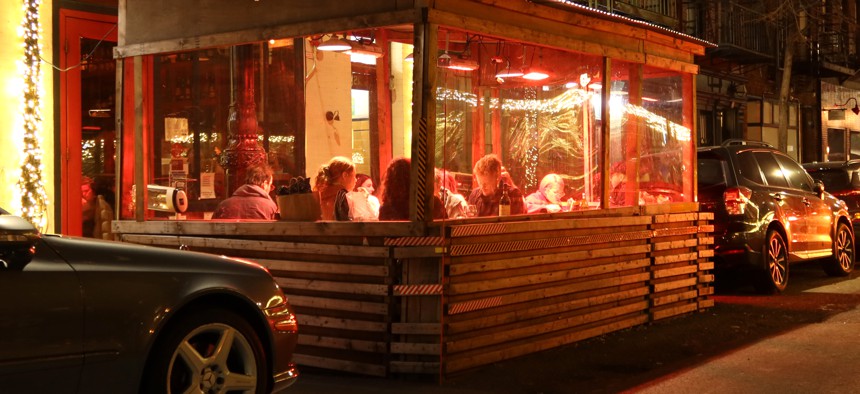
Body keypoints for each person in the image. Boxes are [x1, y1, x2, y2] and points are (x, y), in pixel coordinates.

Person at [378, 157, 447, 221]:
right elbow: (446, 228)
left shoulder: (386, 209)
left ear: (389, 181)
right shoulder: (430, 202)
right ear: (414, 177)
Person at [212, 164, 278, 219]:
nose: (270, 189)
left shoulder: (223, 205)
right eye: (270, 185)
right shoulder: (270, 207)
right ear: (264, 184)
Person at [315, 156, 356, 221]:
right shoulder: (344, 197)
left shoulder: (319, 195)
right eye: (354, 176)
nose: (355, 180)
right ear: (345, 175)